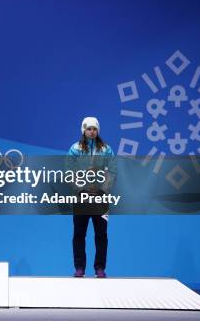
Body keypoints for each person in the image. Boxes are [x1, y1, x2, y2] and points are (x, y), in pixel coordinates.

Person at [67, 117, 116, 278]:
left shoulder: (106, 149)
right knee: (79, 234)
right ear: (83, 130)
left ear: (98, 130)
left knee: (101, 235)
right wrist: (79, 189)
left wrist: (104, 189)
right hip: (81, 198)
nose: (92, 131)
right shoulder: (75, 149)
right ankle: (80, 267)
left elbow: (113, 171)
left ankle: (100, 268)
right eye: (88, 128)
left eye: (94, 129)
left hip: (100, 198)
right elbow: (69, 170)